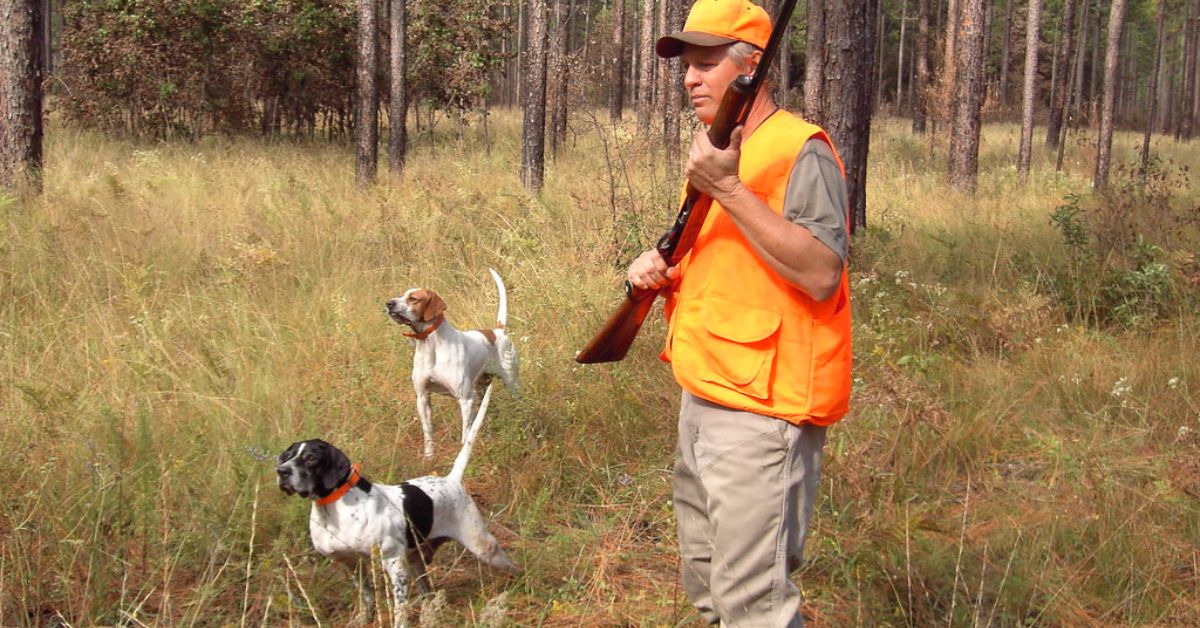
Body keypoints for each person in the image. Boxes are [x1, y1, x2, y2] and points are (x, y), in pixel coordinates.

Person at [625, 0, 853, 625]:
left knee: (755, 605)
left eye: (704, 65)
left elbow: (820, 271)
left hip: (764, 413)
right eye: (685, 67)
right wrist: (660, 266)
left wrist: (727, 187)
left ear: (752, 69)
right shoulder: (719, 148)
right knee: (709, 584)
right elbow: (727, 258)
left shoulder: (799, 149)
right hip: (705, 392)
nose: (689, 79)